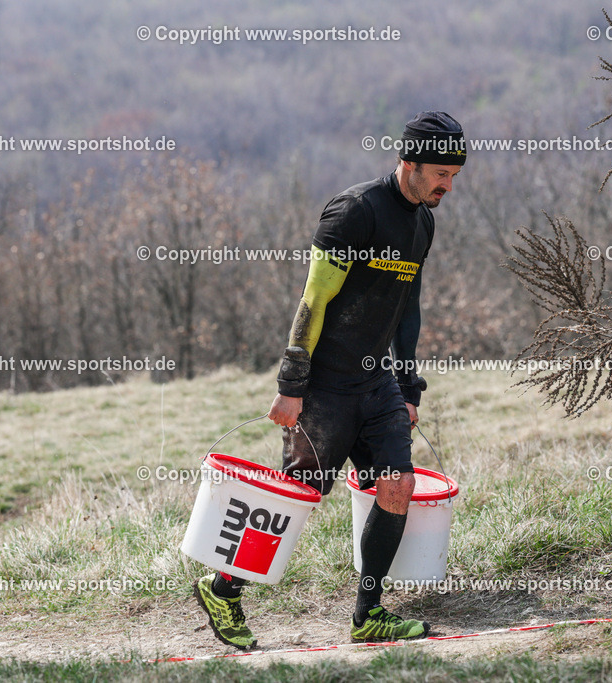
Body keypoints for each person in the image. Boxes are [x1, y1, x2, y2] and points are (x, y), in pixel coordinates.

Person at [193, 111, 466, 649]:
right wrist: (292, 384)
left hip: (378, 384)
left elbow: (407, 309)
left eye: (454, 176)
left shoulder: (423, 223)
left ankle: (368, 614)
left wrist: (408, 387)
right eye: (440, 174)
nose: (448, 186)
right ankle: (223, 588)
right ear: (409, 162)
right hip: (325, 387)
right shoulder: (354, 212)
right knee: (298, 495)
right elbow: (313, 300)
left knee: (397, 485)